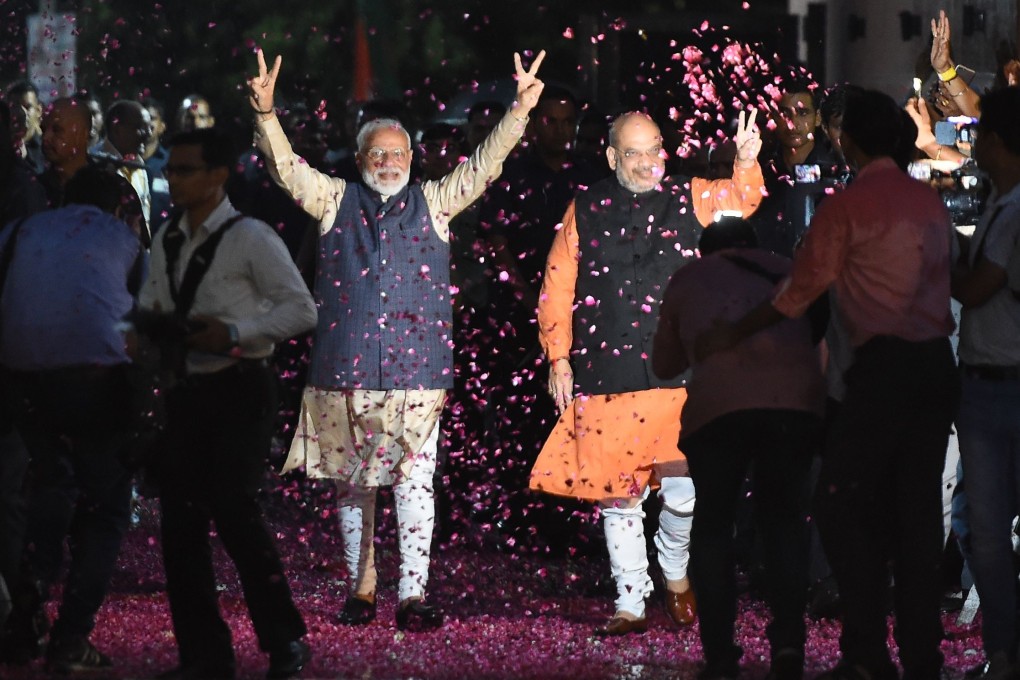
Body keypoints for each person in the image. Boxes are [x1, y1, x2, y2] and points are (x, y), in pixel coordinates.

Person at [249, 47, 546, 630]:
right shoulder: (334, 200)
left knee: (414, 485)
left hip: (419, 372)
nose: (388, 161)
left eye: (397, 152)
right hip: (344, 370)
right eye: (377, 153)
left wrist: (518, 114)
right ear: (359, 158)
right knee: (352, 488)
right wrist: (266, 117)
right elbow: (287, 171)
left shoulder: (435, 201)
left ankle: (414, 594)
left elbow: (483, 166)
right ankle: (361, 587)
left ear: (413, 156)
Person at [695, 89, 959, 680]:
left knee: (842, 510)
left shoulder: (848, 206)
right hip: (935, 368)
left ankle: (866, 652)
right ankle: (922, 657)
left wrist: (732, 333)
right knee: (916, 517)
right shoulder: (927, 203)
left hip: (880, 370)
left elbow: (795, 296)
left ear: (849, 140)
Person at [531, 109, 764, 635]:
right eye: (632, 152)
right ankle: (630, 601)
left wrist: (746, 163)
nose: (645, 162)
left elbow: (740, 200)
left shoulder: (690, 195)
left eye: (653, 148)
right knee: (619, 498)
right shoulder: (584, 208)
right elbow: (557, 286)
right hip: (606, 370)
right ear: (613, 157)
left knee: (686, 492)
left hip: (677, 373)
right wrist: (559, 357)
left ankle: (675, 569)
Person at [139, 128, 316, 679]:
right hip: (188, 392)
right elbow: (150, 304)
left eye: (186, 169)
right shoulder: (167, 234)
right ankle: (204, 656)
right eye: (172, 169)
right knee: (181, 529)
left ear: (218, 175)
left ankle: (284, 640)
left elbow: (302, 310)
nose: (174, 178)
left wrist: (235, 332)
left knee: (237, 514)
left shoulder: (251, 237)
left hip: (242, 387)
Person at [653, 217, 825, 680]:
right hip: (792, 407)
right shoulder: (785, 268)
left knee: (713, 525)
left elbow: (665, 365)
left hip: (718, 412)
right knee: (785, 521)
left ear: (704, 249)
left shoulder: (688, 278)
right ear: (753, 244)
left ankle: (720, 654)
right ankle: (789, 646)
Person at [0, 167, 144, 673]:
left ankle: (25, 607)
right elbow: (142, 313)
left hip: (22, 374)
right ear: (117, 205)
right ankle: (70, 638)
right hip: (95, 376)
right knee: (105, 509)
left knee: (48, 481)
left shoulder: (22, 230)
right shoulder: (121, 235)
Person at [951, 86, 1020, 680]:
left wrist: (938, 255)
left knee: (992, 532)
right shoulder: (1003, 200)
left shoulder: (1015, 206)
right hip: (987, 383)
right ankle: (1003, 651)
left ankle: (1005, 652)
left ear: (998, 142)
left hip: (1000, 386)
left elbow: (978, 288)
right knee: (990, 532)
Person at [93, 100, 154, 241]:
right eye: (141, 128)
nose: (149, 134)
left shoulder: (140, 169)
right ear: (117, 130)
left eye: (150, 128)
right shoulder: (94, 166)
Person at [38, 97, 93, 207]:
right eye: (43, 130)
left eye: (57, 130)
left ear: (82, 134)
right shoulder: (32, 189)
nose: (46, 137)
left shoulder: (109, 189)